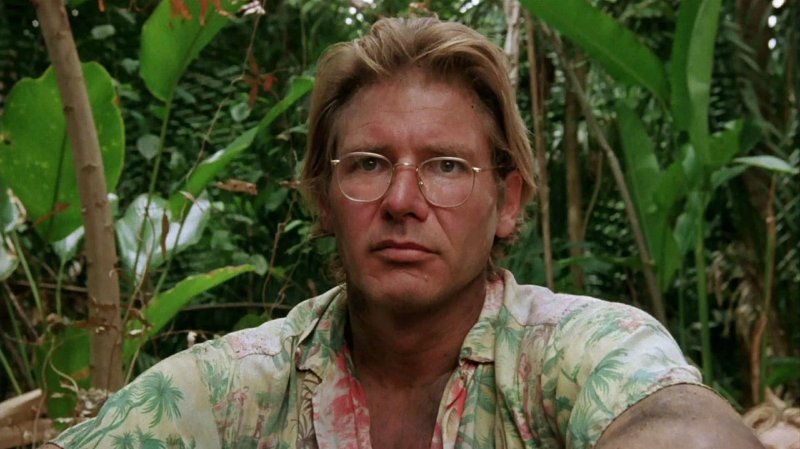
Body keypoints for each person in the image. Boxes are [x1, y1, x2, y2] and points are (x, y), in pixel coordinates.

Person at [46, 17, 764, 449]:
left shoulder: (572, 352)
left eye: (447, 166)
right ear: (324, 198)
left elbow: (682, 424)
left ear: (507, 201)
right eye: (367, 164)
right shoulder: (241, 385)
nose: (401, 200)